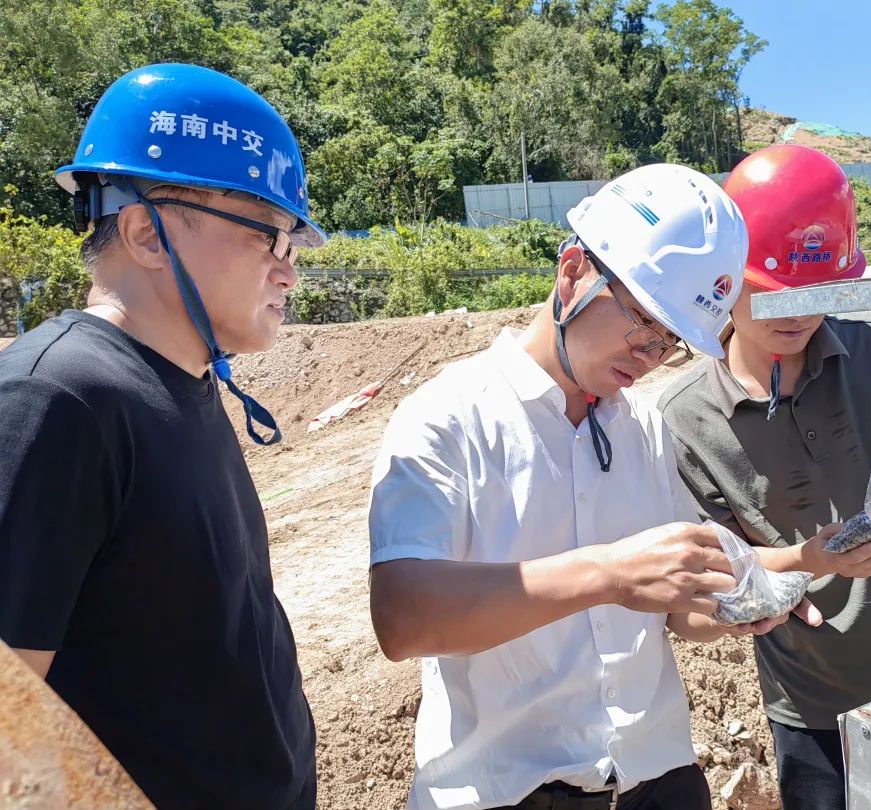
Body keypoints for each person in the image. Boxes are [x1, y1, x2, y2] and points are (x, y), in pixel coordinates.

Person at [368, 163, 822, 810]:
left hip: (656, 778)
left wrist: (743, 600)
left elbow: (679, 611)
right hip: (508, 792)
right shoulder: (448, 418)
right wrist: (608, 573)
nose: (650, 356)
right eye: (643, 321)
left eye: (670, 341)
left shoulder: (642, 427)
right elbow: (403, 619)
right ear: (574, 270)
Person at [0, 63, 327, 808]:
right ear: (148, 232)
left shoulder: (181, 380)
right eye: (270, 239)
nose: (289, 274)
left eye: (293, 248)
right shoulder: (56, 400)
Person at [659, 144, 871, 810]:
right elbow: (710, 583)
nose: (799, 312)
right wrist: (796, 568)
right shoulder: (685, 418)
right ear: (726, 281)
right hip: (818, 708)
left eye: (818, 291)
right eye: (774, 292)